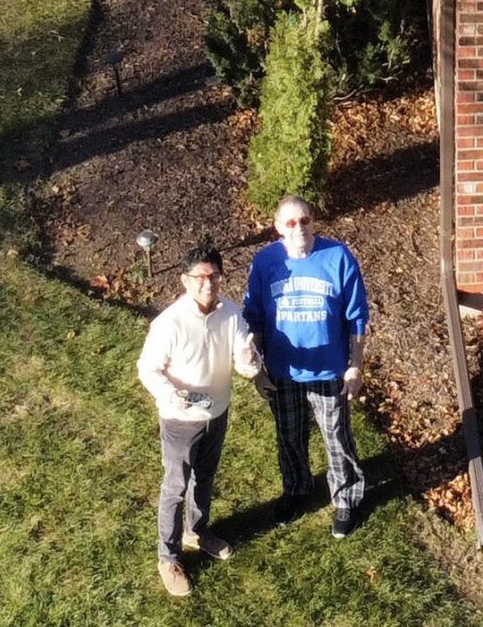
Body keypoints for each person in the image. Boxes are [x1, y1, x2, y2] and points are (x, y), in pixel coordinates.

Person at [137, 241, 264, 599]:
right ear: (185, 280)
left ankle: (197, 530)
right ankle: (168, 557)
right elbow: (147, 369)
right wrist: (168, 393)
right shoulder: (169, 323)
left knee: (205, 477)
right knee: (175, 486)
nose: (208, 284)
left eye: (215, 275)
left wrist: (249, 359)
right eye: (200, 277)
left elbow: (245, 367)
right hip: (180, 420)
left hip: (217, 414)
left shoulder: (232, 315)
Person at [243, 195, 371, 537]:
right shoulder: (264, 262)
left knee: (337, 438)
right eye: (290, 222)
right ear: (277, 228)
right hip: (283, 372)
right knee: (289, 437)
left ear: (313, 221)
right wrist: (257, 371)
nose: (299, 228)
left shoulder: (338, 257)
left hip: (329, 372)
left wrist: (355, 365)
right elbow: (253, 319)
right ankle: (298, 489)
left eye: (305, 220)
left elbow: (357, 318)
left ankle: (346, 498)